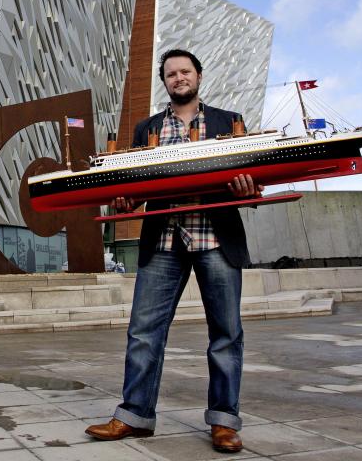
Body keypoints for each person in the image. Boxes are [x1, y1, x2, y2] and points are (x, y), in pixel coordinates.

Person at [85, 50, 261, 454]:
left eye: (185, 71)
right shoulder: (146, 129)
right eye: (171, 74)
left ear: (199, 75)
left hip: (215, 239)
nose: (178, 78)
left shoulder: (228, 121)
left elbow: (249, 180)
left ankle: (224, 422)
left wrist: (248, 189)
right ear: (164, 82)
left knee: (226, 334)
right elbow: (132, 189)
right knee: (143, 332)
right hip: (163, 241)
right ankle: (135, 416)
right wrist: (123, 202)